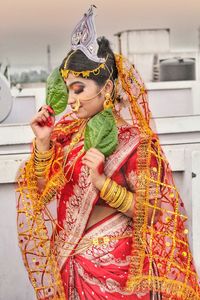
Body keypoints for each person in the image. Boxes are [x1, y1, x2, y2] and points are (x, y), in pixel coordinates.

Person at [16, 6, 200, 300]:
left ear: (108, 88)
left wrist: (104, 184)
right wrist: (43, 143)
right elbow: (41, 193)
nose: (72, 101)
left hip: (116, 273)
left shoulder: (136, 143)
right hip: (69, 266)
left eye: (80, 89)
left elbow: (153, 214)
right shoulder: (66, 136)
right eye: (68, 91)